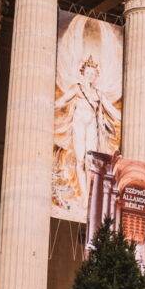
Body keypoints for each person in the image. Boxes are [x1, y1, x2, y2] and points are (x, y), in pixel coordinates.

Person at [53, 55, 118, 209]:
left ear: (96, 76)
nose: (90, 76)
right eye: (88, 73)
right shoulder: (77, 88)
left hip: (91, 126)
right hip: (79, 124)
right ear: (83, 73)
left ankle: (89, 195)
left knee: (90, 163)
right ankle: (83, 195)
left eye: (93, 74)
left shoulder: (98, 94)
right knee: (80, 160)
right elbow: (62, 101)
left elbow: (113, 111)